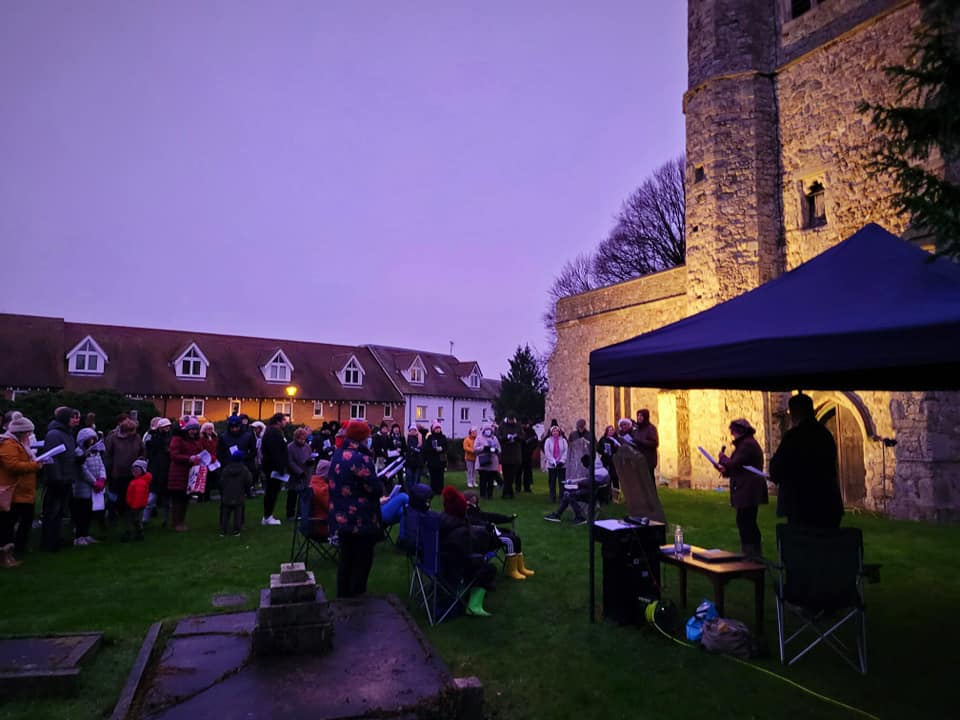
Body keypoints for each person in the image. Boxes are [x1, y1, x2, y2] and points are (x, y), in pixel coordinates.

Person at [769, 393, 843, 529]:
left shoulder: (794, 436)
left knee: (805, 545)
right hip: (828, 501)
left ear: (794, 413)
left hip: (801, 503)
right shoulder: (824, 434)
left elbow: (775, 469)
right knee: (827, 546)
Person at [329, 420, 383, 598]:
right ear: (363, 438)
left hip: (340, 516)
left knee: (346, 560)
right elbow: (374, 488)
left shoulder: (337, 454)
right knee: (361, 560)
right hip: (361, 518)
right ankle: (357, 599)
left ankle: (342, 597)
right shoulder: (362, 458)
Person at [439, 486, 496, 617]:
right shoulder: (461, 531)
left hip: (438, 562)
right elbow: (466, 554)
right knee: (488, 567)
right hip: (454, 567)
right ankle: (473, 606)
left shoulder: (442, 519)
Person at [716, 418, 767, 558]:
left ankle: (752, 555)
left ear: (739, 432)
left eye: (733, 432)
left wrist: (723, 459)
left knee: (747, 522)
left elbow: (735, 464)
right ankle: (750, 554)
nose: (732, 435)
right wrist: (723, 468)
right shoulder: (743, 445)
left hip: (749, 489)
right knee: (745, 521)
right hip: (746, 488)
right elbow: (735, 468)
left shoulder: (747, 445)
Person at [0, 414, 43, 567]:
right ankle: (5, 557)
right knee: (7, 526)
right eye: (28, 432)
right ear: (21, 432)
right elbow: (12, 466)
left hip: (22, 491)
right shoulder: (9, 444)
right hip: (12, 492)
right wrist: (34, 466)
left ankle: (13, 553)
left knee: (15, 523)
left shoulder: (19, 443)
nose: (30, 435)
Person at [464, 490, 535, 581]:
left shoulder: (475, 508)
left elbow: (490, 516)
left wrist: (506, 518)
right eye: (472, 497)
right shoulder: (468, 511)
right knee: (510, 540)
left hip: (491, 533)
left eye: (475, 496)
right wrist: (487, 525)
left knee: (516, 538)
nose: (475, 498)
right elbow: (475, 523)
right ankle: (512, 570)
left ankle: (521, 567)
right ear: (468, 500)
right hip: (486, 539)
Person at [40, 406, 80, 551]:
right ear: (65, 419)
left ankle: (56, 538)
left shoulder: (68, 433)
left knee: (60, 513)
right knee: (52, 512)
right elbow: (52, 458)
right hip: (57, 480)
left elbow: (68, 455)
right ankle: (48, 542)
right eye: (71, 417)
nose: (74, 420)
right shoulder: (54, 434)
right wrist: (56, 479)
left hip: (67, 478)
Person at [104, 416, 142, 523]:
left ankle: (125, 514)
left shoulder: (136, 438)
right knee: (113, 495)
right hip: (116, 472)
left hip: (132, 472)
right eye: (131, 431)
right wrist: (109, 470)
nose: (133, 433)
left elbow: (142, 451)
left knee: (128, 494)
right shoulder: (113, 438)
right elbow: (107, 454)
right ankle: (110, 514)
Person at [168, 418, 203, 532]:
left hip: (190, 473)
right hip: (178, 473)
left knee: (185, 499)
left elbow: (199, 451)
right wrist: (189, 458)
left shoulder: (195, 440)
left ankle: (181, 521)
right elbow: (174, 455)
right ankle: (176, 523)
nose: (194, 432)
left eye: (195, 429)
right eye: (191, 429)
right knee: (178, 500)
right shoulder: (177, 439)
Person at [73, 427, 104, 545]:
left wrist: (102, 478)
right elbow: (83, 470)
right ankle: (78, 536)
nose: (92, 441)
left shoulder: (95, 452)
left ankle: (85, 534)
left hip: (94, 487)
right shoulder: (79, 452)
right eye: (89, 439)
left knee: (89, 512)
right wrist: (94, 482)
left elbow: (101, 465)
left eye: (93, 439)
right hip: (82, 488)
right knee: (81, 512)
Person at [260, 413, 289, 526]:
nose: (285, 422)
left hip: (272, 466)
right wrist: (280, 467)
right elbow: (275, 452)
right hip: (273, 468)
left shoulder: (272, 432)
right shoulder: (274, 433)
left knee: (272, 491)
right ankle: (268, 516)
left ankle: (268, 515)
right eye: (284, 420)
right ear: (278, 421)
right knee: (272, 491)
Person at [144, 418, 172, 527]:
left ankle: (166, 520)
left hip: (166, 471)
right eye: (165, 426)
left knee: (166, 500)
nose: (167, 428)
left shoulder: (170, 438)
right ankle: (145, 519)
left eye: (168, 426)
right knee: (151, 498)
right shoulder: (153, 439)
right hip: (155, 470)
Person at [218, 457, 251, 536]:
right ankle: (236, 530)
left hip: (227, 495)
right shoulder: (244, 469)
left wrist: (223, 491)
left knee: (225, 513)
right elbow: (249, 480)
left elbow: (221, 481)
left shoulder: (226, 469)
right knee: (238, 514)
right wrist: (246, 489)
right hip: (239, 494)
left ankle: (223, 530)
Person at [286, 426, 314, 521]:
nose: (302, 441)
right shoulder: (290, 447)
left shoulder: (307, 446)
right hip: (295, 475)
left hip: (306, 474)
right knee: (292, 495)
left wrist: (310, 462)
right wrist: (299, 471)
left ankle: (301, 513)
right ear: (296, 437)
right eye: (300, 439)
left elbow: (310, 457)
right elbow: (290, 462)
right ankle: (290, 514)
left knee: (304, 495)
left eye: (304, 439)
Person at [122, 459, 151, 542]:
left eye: (137, 470)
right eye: (133, 470)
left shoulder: (140, 482)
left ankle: (130, 534)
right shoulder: (137, 481)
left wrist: (134, 506)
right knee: (136, 521)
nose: (134, 472)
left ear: (142, 471)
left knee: (133, 520)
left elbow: (139, 496)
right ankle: (138, 534)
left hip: (136, 506)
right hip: (134, 505)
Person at [498, 414, 523, 498]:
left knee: (512, 475)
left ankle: (509, 492)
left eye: (512, 420)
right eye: (510, 420)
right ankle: (506, 492)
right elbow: (498, 437)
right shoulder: (502, 426)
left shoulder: (518, 426)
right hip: (505, 453)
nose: (511, 421)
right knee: (506, 474)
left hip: (515, 454)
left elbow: (522, 436)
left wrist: (517, 437)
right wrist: (506, 437)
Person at [474, 426, 501, 500]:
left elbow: (499, 448)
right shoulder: (479, 438)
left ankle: (490, 495)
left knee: (491, 480)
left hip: (492, 462)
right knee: (483, 479)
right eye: (486, 430)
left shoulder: (494, 438)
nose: (488, 431)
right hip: (483, 461)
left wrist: (495, 450)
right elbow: (475, 448)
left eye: (489, 430)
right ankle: (483, 494)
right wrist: (483, 448)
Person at [543, 425, 568, 503]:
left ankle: (562, 498)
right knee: (552, 482)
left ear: (559, 432)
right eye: (553, 431)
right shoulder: (548, 440)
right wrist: (553, 461)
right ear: (551, 432)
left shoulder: (563, 441)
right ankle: (552, 497)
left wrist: (562, 461)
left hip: (562, 465)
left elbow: (566, 451)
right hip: (552, 465)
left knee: (562, 482)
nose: (555, 433)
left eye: (556, 431)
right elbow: (547, 452)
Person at [632, 409, 659, 479]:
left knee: (649, 481)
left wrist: (641, 441)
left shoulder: (651, 428)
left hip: (648, 459)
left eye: (641, 416)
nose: (639, 417)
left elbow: (655, 443)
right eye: (638, 415)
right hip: (639, 459)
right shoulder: (637, 429)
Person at [565, 419, 593, 487]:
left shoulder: (589, 434)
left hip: (586, 457)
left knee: (585, 473)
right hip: (576, 458)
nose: (580, 428)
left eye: (582, 426)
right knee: (576, 473)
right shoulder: (573, 434)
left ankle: (585, 487)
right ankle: (575, 487)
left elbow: (594, 444)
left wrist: (587, 443)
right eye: (579, 426)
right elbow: (569, 445)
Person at [423, 422, 448, 494]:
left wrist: (441, 448)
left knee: (440, 476)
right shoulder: (430, 437)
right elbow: (426, 448)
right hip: (432, 459)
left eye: (439, 428)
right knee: (433, 476)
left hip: (441, 459)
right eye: (436, 428)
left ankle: (440, 490)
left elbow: (446, 446)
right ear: (433, 429)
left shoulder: (443, 437)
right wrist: (433, 449)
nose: (438, 430)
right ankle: (433, 490)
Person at [597, 425, 620, 500]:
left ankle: (616, 497)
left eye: (612, 430)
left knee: (615, 478)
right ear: (606, 431)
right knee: (606, 478)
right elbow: (598, 448)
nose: (611, 432)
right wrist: (603, 451)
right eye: (609, 430)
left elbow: (619, 449)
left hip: (614, 461)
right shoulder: (603, 439)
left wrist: (616, 447)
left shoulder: (616, 439)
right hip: (605, 460)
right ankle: (607, 496)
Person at [520, 420, 538, 493]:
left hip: (528, 454)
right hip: (520, 454)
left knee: (527, 472)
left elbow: (535, 441)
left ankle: (527, 487)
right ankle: (518, 487)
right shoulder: (520, 431)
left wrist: (531, 449)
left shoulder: (531, 431)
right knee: (518, 472)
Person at [404, 425, 423, 489]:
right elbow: (405, 445)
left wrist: (419, 435)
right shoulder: (407, 438)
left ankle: (416, 491)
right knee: (409, 477)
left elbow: (421, 447)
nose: (413, 431)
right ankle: (409, 490)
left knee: (416, 478)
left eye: (414, 430)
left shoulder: (419, 438)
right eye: (411, 430)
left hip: (417, 462)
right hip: (409, 461)